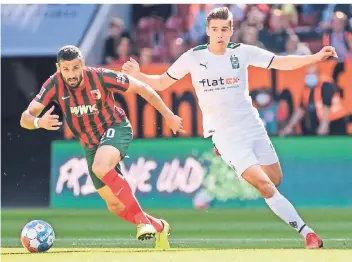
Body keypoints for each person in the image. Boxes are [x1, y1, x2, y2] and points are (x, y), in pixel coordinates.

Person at [122, 7, 338, 249]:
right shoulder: (193, 57)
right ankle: (307, 234)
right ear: (207, 31)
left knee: (275, 178)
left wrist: (315, 57)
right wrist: (139, 74)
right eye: (215, 30)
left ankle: (234, 160)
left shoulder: (241, 53)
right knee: (264, 186)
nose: (220, 34)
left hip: (251, 124)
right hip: (224, 134)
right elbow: (162, 82)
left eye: (225, 29)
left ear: (231, 30)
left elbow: (280, 62)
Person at [20, 45, 184, 249]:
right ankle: (159, 226)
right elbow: (25, 118)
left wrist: (168, 115)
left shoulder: (100, 77)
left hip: (116, 128)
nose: (71, 74)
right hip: (90, 144)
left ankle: (142, 222)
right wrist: (38, 122)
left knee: (100, 166)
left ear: (83, 65)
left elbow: (142, 88)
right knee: (114, 205)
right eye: (66, 69)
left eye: (75, 68)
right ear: (58, 68)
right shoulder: (53, 84)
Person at [279, 65, 347, 136]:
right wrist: (289, 127)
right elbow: (301, 109)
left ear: (317, 74)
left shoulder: (326, 84)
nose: (309, 76)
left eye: (312, 73)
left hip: (336, 122)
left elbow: (326, 105)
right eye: (308, 74)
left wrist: (324, 125)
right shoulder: (308, 88)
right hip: (321, 122)